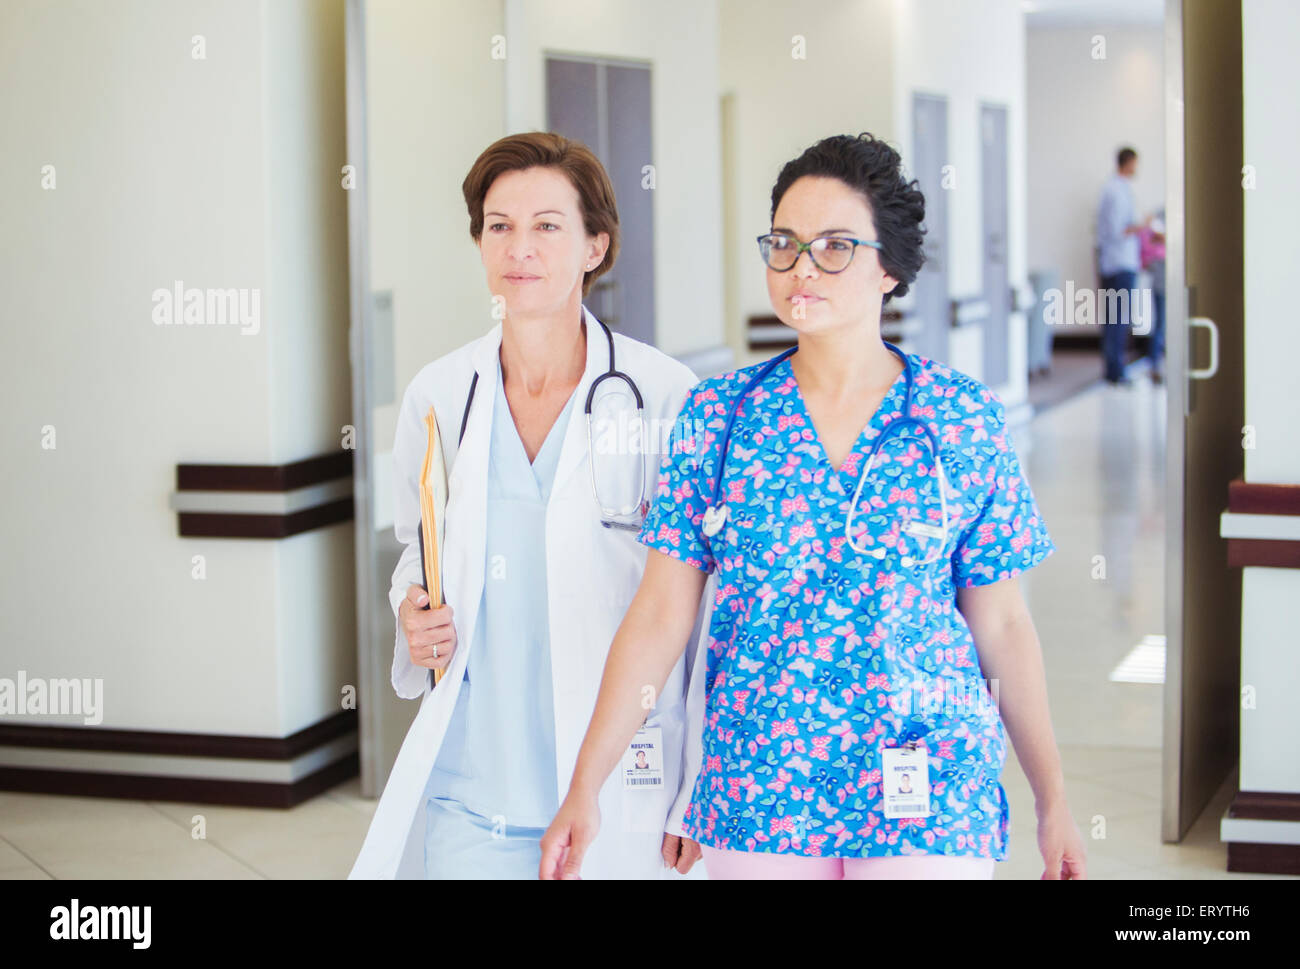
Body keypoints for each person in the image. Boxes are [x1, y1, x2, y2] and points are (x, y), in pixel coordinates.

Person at [541, 133, 1087, 881]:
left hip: (928, 771)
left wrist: (1052, 798)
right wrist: (587, 783)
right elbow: (661, 614)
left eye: (835, 246)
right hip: (761, 776)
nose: (802, 267)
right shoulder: (721, 416)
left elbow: (1002, 620)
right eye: (786, 243)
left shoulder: (958, 418)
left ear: (888, 266)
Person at [348, 132, 707, 880]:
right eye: (498, 225)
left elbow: (702, 610)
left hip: (620, 790)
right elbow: (421, 556)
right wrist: (412, 614)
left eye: (548, 225)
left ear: (594, 246)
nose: (520, 248)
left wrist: (696, 786)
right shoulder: (439, 395)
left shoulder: (667, 397)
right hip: (475, 791)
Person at [1095, 146, 1149, 385]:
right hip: (1119, 262)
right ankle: (1115, 371)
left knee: (1115, 317)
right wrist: (1142, 225)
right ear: (1127, 163)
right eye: (1135, 164)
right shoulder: (1115, 191)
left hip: (1118, 261)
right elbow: (1119, 230)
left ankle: (1114, 369)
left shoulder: (1118, 188)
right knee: (1117, 318)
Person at [1138, 208, 1166, 384]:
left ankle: (1157, 364)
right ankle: (1155, 365)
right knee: (1161, 324)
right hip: (1161, 281)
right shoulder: (1159, 216)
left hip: (1168, 280)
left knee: (1163, 324)